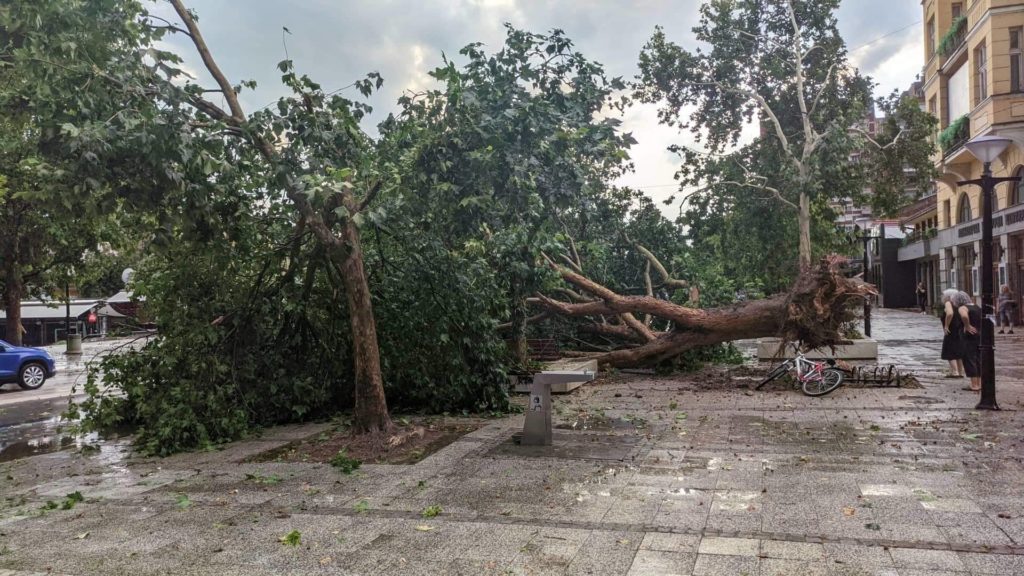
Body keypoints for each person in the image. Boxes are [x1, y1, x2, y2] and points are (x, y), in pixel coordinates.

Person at [957, 291, 983, 392]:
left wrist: (967, 326)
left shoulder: (962, 308)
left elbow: (964, 316)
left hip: (968, 336)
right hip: (978, 334)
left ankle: (974, 384)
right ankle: (979, 383)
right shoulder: (977, 307)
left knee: (969, 359)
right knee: (977, 359)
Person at [940, 289, 965, 379]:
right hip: (959, 328)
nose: (942, 297)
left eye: (943, 296)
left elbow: (950, 314)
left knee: (949, 349)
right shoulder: (959, 304)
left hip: (951, 329)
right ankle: (960, 371)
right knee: (958, 350)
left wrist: (946, 325)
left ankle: (955, 372)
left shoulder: (948, 303)